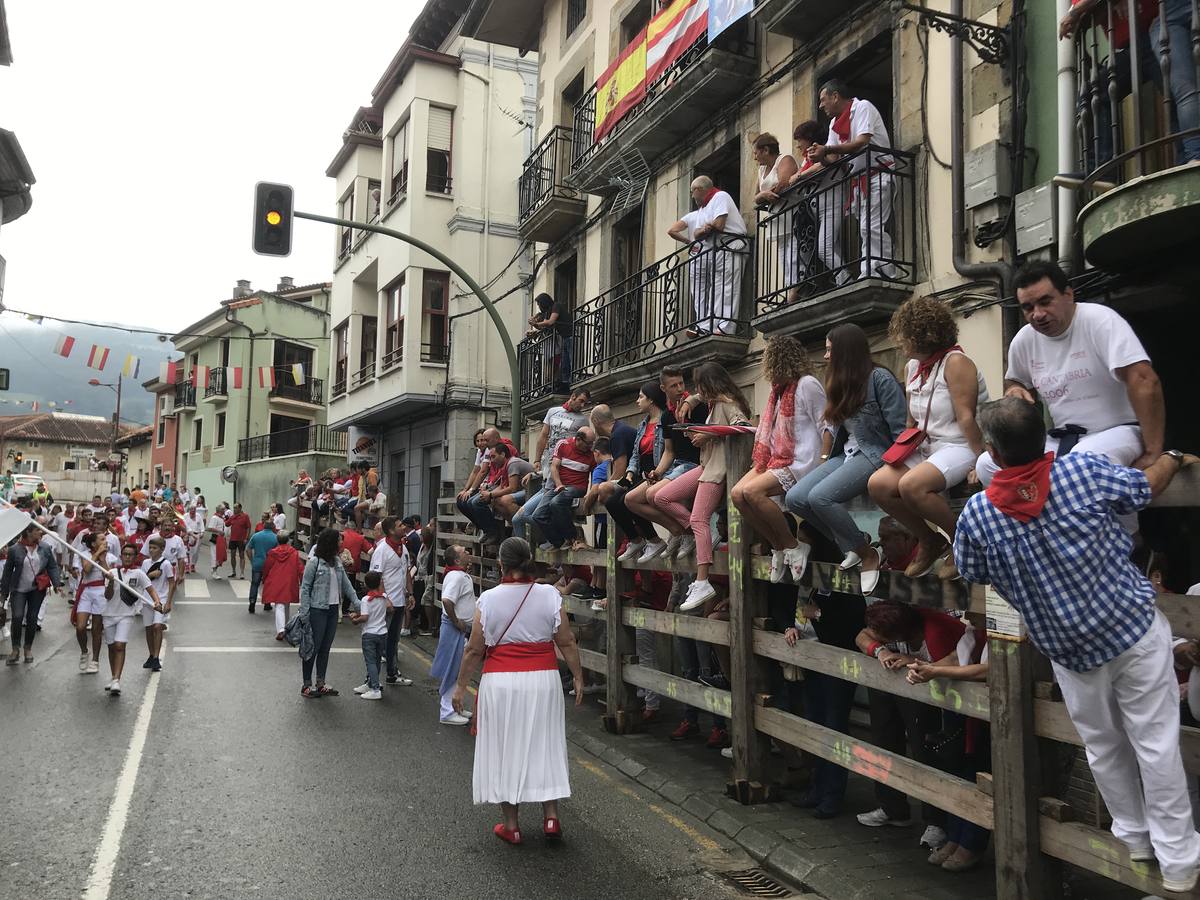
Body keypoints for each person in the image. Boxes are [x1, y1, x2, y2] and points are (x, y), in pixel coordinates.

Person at [955, 396, 1200, 894]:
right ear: (1042, 439)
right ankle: (1179, 863)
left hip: (1068, 649)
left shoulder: (978, 514)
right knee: (1155, 744)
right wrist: (1173, 456)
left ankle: (1133, 836)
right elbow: (1144, 487)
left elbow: (973, 572)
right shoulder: (1083, 471)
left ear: (995, 456)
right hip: (1129, 628)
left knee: (1103, 745)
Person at [975, 260, 1164, 488]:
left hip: (1120, 431)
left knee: (1080, 464)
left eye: (1045, 302)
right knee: (987, 464)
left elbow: (1144, 380)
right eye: (1028, 307)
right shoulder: (1024, 340)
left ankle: (1121, 525)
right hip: (1063, 439)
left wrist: (1153, 452)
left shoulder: (1100, 321)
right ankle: (1038, 522)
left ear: (1068, 295)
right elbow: (1015, 382)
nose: (1038, 314)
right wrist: (1015, 389)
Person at [451, 537, 584, 844]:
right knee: (544, 742)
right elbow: (566, 641)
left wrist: (460, 688)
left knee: (504, 747)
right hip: (543, 680)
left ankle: (512, 825)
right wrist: (577, 676)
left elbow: (473, 650)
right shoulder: (550, 595)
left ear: (501, 564)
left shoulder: (488, 600)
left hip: (502, 682)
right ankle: (551, 817)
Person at [868, 296, 988, 580]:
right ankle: (930, 540)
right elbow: (912, 419)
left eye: (904, 336)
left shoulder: (957, 363)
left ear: (924, 335)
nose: (899, 343)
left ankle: (964, 542)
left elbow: (967, 418)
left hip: (959, 444)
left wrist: (980, 461)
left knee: (912, 485)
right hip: (927, 445)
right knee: (878, 485)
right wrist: (902, 451)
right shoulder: (913, 367)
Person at [785, 323, 906, 595]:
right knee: (796, 498)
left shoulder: (880, 379)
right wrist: (826, 458)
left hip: (875, 453)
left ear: (845, 351)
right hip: (847, 454)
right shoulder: (839, 383)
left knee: (820, 497)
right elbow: (835, 430)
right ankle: (855, 541)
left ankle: (868, 554)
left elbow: (900, 429)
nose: (826, 356)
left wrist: (902, 467)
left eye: (830, 350)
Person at [732, 335, 831, 583]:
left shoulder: (807, 384)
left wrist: (824, 459)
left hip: (801, 460)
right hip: (776, 458)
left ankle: (793, 544)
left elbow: (827, 425)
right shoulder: (778, 391)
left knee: (753, 493)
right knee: (737, 495)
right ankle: (778, 546)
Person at [655, 362, 753, 609]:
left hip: (718, 469)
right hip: (706, 464)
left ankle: (702, 580)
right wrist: (699, 431)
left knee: (700, 519)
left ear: (708, 384)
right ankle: (698, 539)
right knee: (662, 497)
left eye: (699, 386)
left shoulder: (727, 403)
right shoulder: (715, 401)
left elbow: (743, 428)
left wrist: (709, 434)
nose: (694, 390)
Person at [806, 79, 896, 283]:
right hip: (860, 180)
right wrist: (820, 156)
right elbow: (833, 159)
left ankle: (878, 270)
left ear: (835, 96)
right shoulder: (834, 125)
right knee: (866, 228)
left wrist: (826, 150)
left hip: (878, 173)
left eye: (823, 100)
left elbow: (861, 142)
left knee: (871, 227)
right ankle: (872, 269)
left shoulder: (862, 107)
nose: (821, 106)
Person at [667, 175, 749, 337]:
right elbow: (698, 234)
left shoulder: (720, 196)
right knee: (717, 290)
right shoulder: (704, 208)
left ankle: (727, 327)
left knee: (728, 288)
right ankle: (710, 326)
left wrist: (707, 228)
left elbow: (719, 225)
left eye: (692, 192)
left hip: (731, 245)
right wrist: (704, 230)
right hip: (719, 249)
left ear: (699, 190)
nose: (692, 196)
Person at [609, 382, 674, 563]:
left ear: (651, 399)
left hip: (658, 473)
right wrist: (629, 473)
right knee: (612, 501)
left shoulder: (665, 420)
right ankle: (636, 540)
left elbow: (669, 452)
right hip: (640, 474)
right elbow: (636, 455)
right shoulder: (643, 425)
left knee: (627, 500)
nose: (637, 401)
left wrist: (658, 472)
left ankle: (654, 539)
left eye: (640, 397)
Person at [297, 528, 359, 699]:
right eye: (339, 540)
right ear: (331, 543)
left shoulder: (337, 562)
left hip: (333, 610)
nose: (342, 543)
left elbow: (347, 586)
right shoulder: (314, 562)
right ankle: (307, 685)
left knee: (325, 648)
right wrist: (304, 612)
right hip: (317, 610)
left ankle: (321, 683)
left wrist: (358, 604)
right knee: (312, 648)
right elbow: (305, 588)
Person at [102, 543, 162, 696]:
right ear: (121, 556)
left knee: (120, 645)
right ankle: (113, 675)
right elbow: (107, 596)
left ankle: (116, 679)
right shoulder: (111, 572)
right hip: (109, 614)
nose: (127, 557)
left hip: (126, 614)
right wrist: (111, 582)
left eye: (130, 554)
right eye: (125, 554)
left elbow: (151, 589)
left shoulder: (139, 574)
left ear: (135, 557)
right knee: (111, 647)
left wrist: (157, 602)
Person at [752, 131, 802, 304]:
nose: (755, 157)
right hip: (777, 217)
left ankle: (794, 293)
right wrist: (765, 194)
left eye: (756, 152)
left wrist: (766, 194)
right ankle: (790, 291)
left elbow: (784, 183)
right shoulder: (761, 170)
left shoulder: (784, 159)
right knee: (784, 257)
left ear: (765, 150)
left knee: (794, 254)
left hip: (792, 212)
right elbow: (756, 197)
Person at [1, 523, 62, 664]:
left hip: (37, 589)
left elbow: (52, 566)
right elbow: (8, 572)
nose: (40, 532)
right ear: (28, 532)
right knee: (17, 617)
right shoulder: (14, 550)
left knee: (32, 618)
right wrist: (4, 592)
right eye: (37, 530)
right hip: (18, 590)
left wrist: (57, 583)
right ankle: (15, 648)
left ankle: (28, 648)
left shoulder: (45, 548)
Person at [431, 544, 477, 725]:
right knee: (453, 668)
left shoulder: (458, 575)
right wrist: (457, 622)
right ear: (457, 560)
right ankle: (447, 711)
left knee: (459, 669)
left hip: (460, 629)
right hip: (454, 628)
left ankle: (455, 707)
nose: (467, 552)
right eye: (464, 551)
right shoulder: (456, 577)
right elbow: (447, 600)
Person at [532, 426, 596, 550]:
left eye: (592, 443)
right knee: (538, 515)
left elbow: (595, 473)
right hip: (560, 486)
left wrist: (592, 490)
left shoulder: (591, 454)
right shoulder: (563, 444)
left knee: (556, 503)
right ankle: (558, 542)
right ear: (578, 439)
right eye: (588, 443)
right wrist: (559, 484)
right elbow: (554, 467)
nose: (591, 446)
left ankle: (572, 537)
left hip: (578, 487)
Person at [370, 516, 415, 687]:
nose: (403, 527)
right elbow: (376, 577)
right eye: (400, 525)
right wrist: (385, 599)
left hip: (399, 603)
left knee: (394, 641)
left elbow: (406, 573)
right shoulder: (382, 550)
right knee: (380, 640)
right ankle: (371, 680)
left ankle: (392, 673)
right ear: (390, 531)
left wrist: (410, 594)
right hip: (386, 604)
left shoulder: (402, 548)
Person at [76, 532, 116, 674]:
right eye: (102, 539)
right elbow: (86, 570)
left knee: (96, 629)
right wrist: (96, 554)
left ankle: (95, 660)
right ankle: (84, 651)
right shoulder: (84, 554)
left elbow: (109, 574)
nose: (106, 541)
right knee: (80, 627)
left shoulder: (110, 557)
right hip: (87, 591)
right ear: (93, 543)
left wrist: (103, 558)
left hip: (101, 591)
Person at [350, 570, 391, 701]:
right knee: (377, 660)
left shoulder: (366, 600)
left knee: (370, 662)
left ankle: (375, 689)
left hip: (369, 634)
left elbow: (365, 617)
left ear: (366, 585)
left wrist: (355, 620)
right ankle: (372, 683)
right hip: (382, 633)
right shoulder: (383, 597)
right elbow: (391, 608)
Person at [139, 535, 174, 673]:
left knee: (157, 626)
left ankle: (156, 656)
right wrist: (151, 575)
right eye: (150, 548)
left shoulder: (166, 564)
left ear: (162, 549)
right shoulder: (145, 563)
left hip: (162, 598)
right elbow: (141, 579)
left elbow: (172, 582)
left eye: (155, 548)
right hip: (147, 599)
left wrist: (169, 602)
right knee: (148, 628)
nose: (152, 550)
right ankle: (151, 654)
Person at [527, 292, 574, 392]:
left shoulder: (556, 306)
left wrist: (536, 323)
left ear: (544, 302)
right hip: (565, 337)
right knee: (565, 362)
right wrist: (534, 325)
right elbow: (544, 325)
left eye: (539, 304)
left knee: (569, 359)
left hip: (570, 335)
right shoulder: (548, 312)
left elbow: (551, 321)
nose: (539, 306)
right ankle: (566, 382)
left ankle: (570, 380)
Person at [262, 532, 305, 640]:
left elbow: (267, 566)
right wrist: (302, 579)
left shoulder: (272, 553)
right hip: (289, 580)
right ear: (288, 540)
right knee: (286, 604)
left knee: (279, 605)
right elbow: (300, 568)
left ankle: (281, 629)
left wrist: (264, 577)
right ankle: (286, 627)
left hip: (276, 579)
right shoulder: (294, 553)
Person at [246, 522, 279, 614]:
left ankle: (252, 603)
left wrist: (252, 560)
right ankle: (267, 603)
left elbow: (248, 549)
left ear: (264, 526)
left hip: (257, 563)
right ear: (273, 527)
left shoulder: (256, 536)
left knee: (254, 584)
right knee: (268, 584)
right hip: (270, 565)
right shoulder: (275, 537)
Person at [226, 503, 252, 579]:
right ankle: (233, 571)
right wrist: (228, 518)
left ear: (240, 508)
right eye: (234, 508)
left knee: (241, 555)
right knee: (232, 555)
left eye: (236, 508)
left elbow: (249, 527)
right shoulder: (233, 516)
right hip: (233, 539)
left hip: (241, 539)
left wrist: (246, 538)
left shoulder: (245, 516)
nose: (234, 509)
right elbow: (227, 524)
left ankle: (242, 572)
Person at [206, 504, 227, 577]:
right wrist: (219, 531)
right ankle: (214, 571)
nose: (224, 510)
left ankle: (214, 569)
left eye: (224, 509)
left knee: (220, 555)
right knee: (215, 555)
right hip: (216, 539)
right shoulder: (215, 518)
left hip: (221, 539)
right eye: (223, 509)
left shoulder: (222, 518)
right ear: (219, 510)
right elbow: (210, 528)